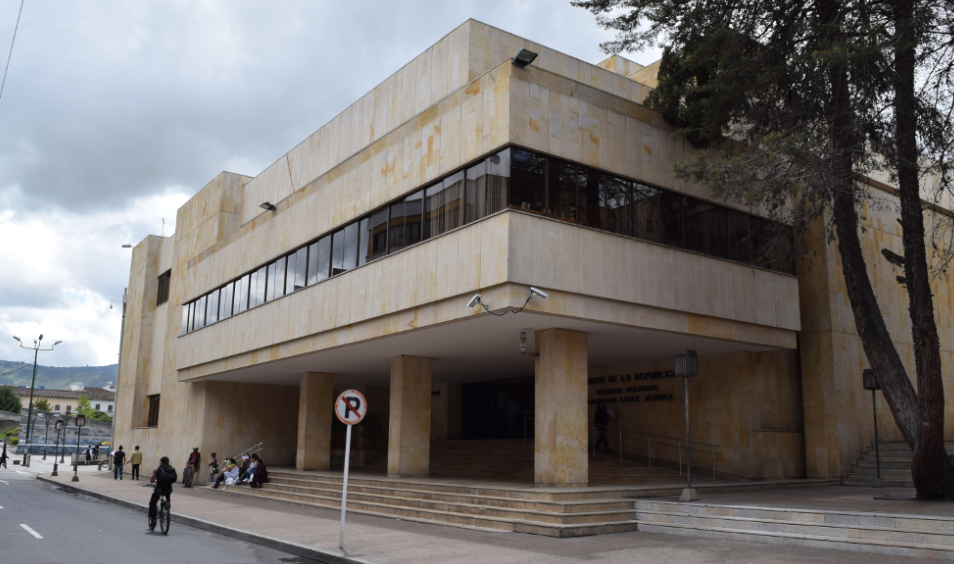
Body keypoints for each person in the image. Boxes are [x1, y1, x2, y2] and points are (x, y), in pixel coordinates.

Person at [148, 456, 177, 531]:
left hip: (159, 489)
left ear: (161, 462)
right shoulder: (172, 469)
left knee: (152, 502)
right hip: (168, 489)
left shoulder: (157, 469)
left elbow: (152, 481)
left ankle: (153, 519)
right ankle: (167, 506)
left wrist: (154, 473)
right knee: (167, 497)